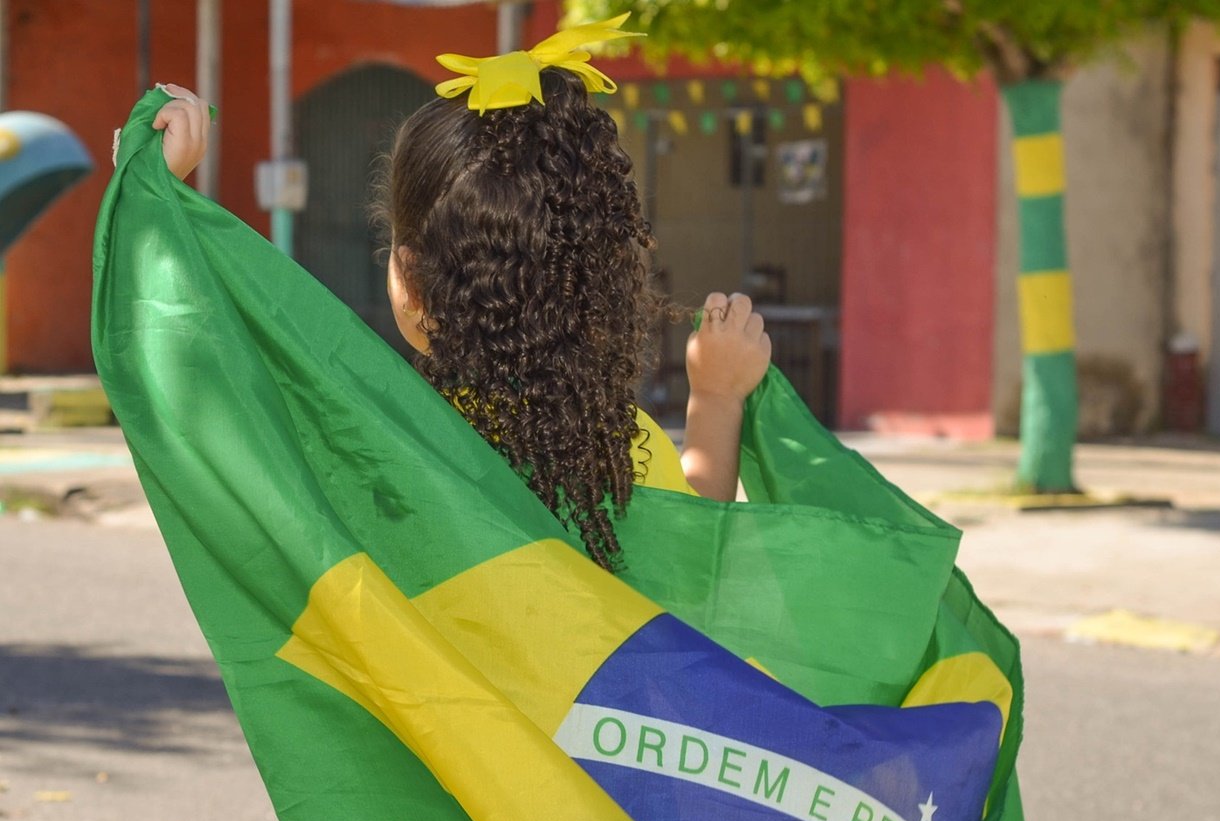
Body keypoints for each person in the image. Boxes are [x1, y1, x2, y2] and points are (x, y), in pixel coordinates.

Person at [150, 53, 770, 572]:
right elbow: (696, 557)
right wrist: (716, 398)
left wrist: (157, 208)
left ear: (412, 280)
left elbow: (199, 412)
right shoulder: (619, 455)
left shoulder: (384, 446)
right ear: (599, 281)